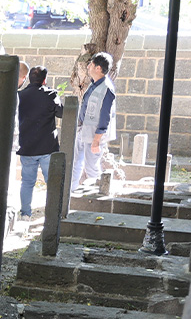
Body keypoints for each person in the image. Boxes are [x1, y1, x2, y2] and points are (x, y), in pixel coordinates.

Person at [16, 66, 62, 218]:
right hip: (48, 147)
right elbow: (61, 113)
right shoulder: (51, 95)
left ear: (29, 79)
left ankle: (25, 213)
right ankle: (52, 214)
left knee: (27, 182)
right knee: (52, 183)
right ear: (44, 79)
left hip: (27, 146)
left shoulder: (20, 96)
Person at [72, 52, 117, 193]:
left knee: (91, 167)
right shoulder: (93, 84)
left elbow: (105, 116)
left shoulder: (107, 89)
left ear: (98, 68)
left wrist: (97, 140)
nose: (88, 67)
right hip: (83, 130)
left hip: (94, 134)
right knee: (75, 163)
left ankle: (95, 195)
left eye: (91, 64)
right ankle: (71, 193)